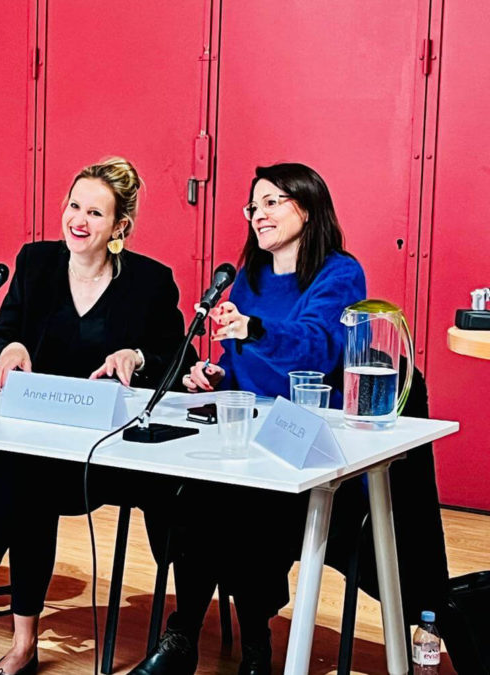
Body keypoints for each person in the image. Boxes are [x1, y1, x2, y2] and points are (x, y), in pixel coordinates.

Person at [0, 157, 190, 675]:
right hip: (34, 444)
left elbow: (179, 358)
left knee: (22, 475)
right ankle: (8, 633)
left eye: (95, 213)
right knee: (25, 471)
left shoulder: (149, 282)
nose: (79, 220)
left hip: (104, 454)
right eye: (74, 206)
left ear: (119, 226)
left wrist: (137, 358)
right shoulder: (36, 265)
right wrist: (9, 349)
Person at [131, 163, 367, 675]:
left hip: (305, 440)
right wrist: (214, 375)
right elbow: (243, 367)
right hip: (243, 434)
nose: (259, 215)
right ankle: (209, 637)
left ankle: (210, 636)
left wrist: (253, 329)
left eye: (272, 202)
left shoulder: (339, 273)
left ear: (308, 205)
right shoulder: (250, 276)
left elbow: (319, 347)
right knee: (192, 492)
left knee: (236, 502)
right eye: (253, 206)